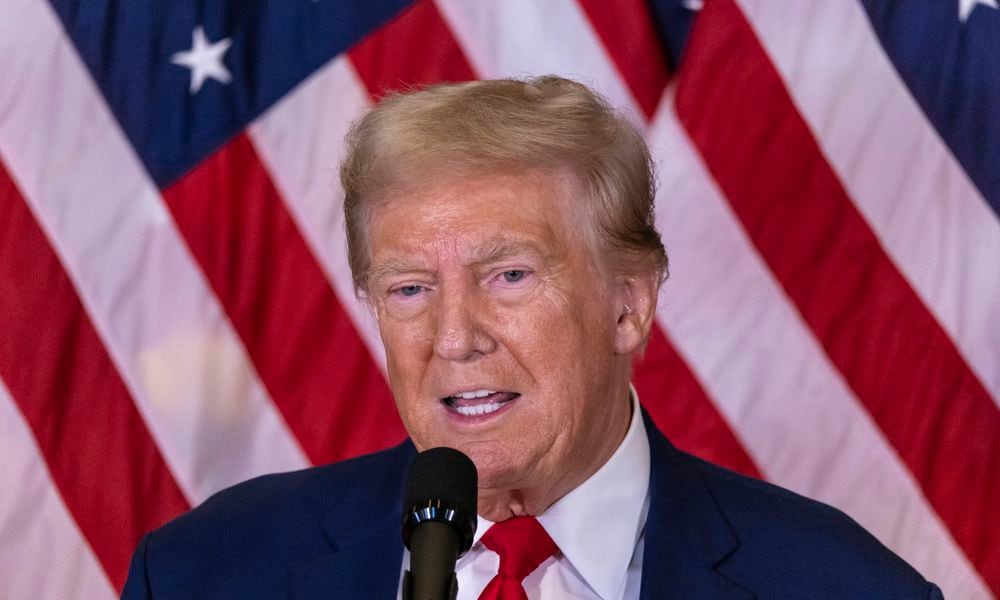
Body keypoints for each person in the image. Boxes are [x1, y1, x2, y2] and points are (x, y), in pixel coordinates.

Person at [122, 76, 942, 599]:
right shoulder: (208, 573)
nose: (453, 337)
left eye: (509, 276)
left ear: (630, 304)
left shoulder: (841, 586)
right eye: (409, 288)